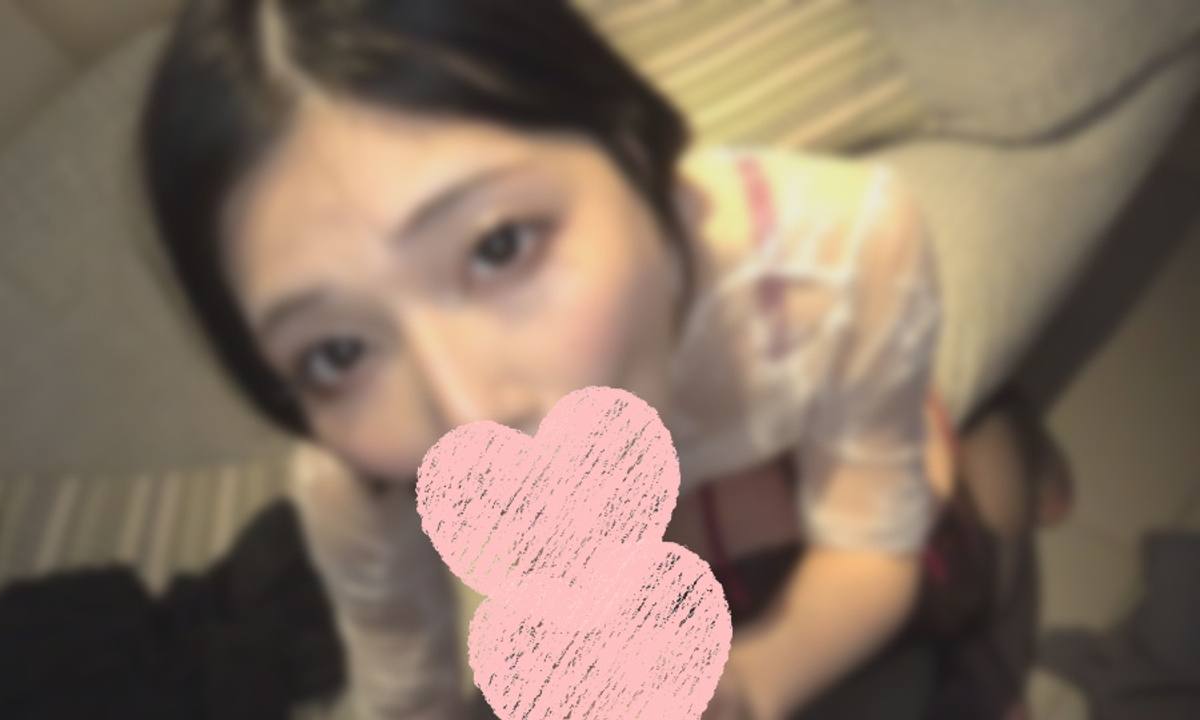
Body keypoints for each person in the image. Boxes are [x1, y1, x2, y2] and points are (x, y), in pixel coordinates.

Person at [138, 1, 1072, 718]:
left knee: (957, 556)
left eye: (500, 245)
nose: (467, 414)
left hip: (807, 478)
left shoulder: (837, 256)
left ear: (629, 142)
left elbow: (871, 543)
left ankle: (1002, 440)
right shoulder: (358, 478)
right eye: (337, 351)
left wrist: (740, 690)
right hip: (646, 587)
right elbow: (406, 691)